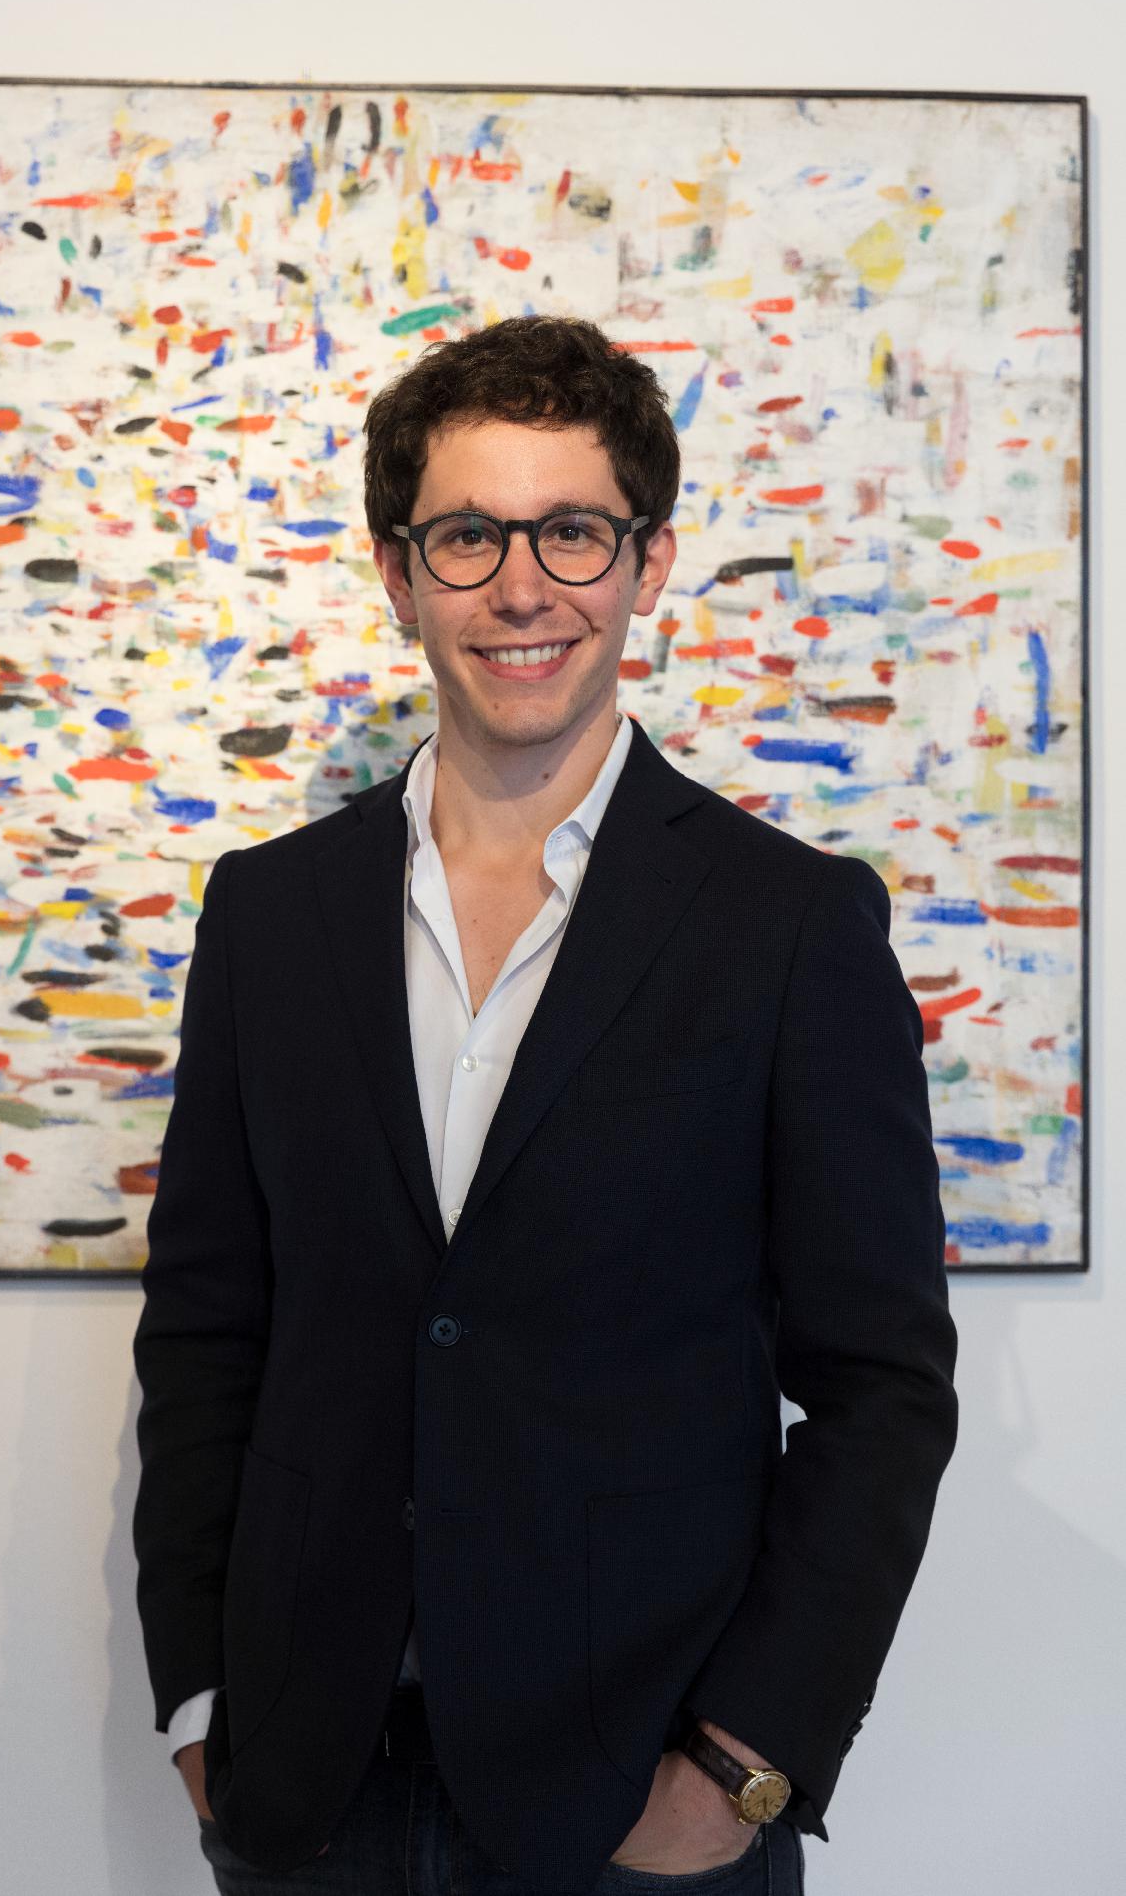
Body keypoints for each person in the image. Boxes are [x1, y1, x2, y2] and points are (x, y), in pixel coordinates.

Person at [132, 313, 960, 1894]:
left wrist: (741, 1763)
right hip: (307, 1791)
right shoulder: (269, 915)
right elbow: (205, 1333)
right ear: (399, 574)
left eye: (571, 531)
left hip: (638, 1800)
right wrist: (201, 1705)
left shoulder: (788, 926)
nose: (521, 587)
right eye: (467, 536)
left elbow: (880, 1388)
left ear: (647, 561)